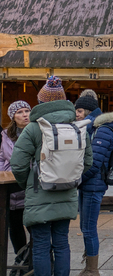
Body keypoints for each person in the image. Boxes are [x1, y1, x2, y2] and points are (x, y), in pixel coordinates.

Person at [10, 76, 93, 276]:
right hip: (67, 192)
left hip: (39, 194)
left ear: (41, 102)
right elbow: (88, 162)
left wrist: (29, 183)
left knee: (40, 246)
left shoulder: (33, 128)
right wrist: (69, 177)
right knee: (62, 243)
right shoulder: (77, 127)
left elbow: (18, 164)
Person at [76, 111, 113, 276]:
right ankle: (89, 267)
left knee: (88, 228)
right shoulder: (99, 129)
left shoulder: (102, 130)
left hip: (92, 185)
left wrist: (77, 180)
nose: (77, 114)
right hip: (91, 184)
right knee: (86, 227)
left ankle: (92, 270)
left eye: (80, 111)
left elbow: (94, 163)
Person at [0, 101, 31, 263]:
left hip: (29, 186)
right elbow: (2, 157)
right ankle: (21, 258)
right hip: (11, 188)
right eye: (20, 112)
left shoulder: (35, 132)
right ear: (13, 116)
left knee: (34, 226)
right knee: (15, 226)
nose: (25, 114)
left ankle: (34, 259)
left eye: (27, 111)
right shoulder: (6, 134)